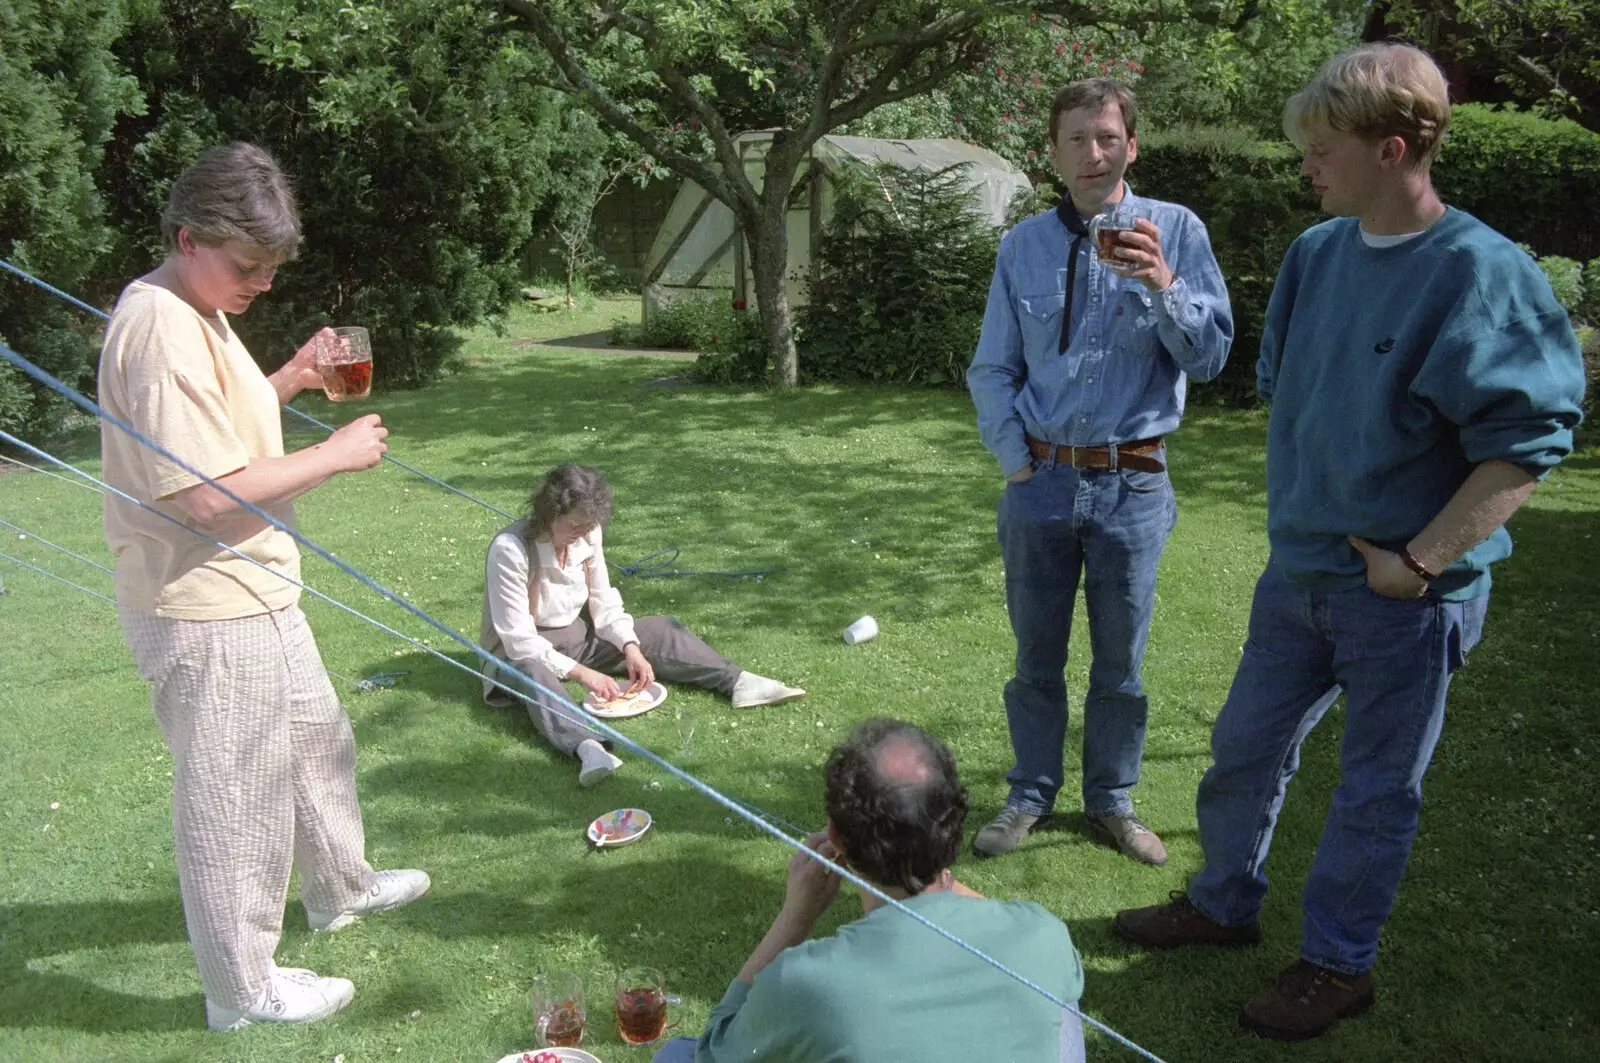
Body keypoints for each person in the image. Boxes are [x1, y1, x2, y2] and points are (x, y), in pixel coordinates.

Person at [1114, 44, 1587, 1040]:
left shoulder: (1478, 275)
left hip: (1406, 597)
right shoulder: (1315, 254)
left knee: (1374, 791)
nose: (1306, 168)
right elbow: (1290, 385)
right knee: (1241, 752)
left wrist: (1416, 563)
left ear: (1396, 148)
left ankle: (1336, 964)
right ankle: (1222, 902)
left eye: (1322, 151)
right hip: (1299, 575)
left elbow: (1524, 448)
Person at [98, 143, 430, 1032]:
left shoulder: (193, 305)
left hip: (253, 584)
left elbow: (211, 431)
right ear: (187, 236)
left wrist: (289, 380)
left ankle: (341, 888)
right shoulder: (160, 325)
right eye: (248, 267)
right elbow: (202, 495)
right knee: (235, 791)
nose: (262, 284)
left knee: (316, 741)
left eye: (272, 268)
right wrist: (332, 453)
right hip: (203, 599)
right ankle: (240, 989)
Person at [966, 77, 1234, 864]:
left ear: (1132, 145)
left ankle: (1113, 801)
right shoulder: (1023, 246)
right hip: (1041, 483)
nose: (1094, 153)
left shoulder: (1177, 231)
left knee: (1122, 666)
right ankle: (1029, 794)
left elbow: (1212, 359)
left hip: (1134, 485)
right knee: (1034, 659)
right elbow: (992, 368)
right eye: (1077, 139)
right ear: (1053, 153)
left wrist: (1162, 285)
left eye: (1108, 137)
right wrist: (1016, 461)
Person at [650, 718, 1086, 1063]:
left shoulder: (807, 982)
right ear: (954, 819)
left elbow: (716, 1050)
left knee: (676, 1055)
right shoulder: (1044, 933)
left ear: (836, 840)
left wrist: (793, 918)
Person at [479, 463, 805, 786]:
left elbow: (602, 599)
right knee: (534, 672)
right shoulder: (510, 549)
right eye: (574, 525)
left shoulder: (589, 533)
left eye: (587, 525)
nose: (581, 533)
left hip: (578, 637)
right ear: (549, 513)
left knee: (659, 628)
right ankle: (589, 747)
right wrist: (583, 673)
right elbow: (519, 639)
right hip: (518, 653)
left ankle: (738, 683)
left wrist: (629, 646)